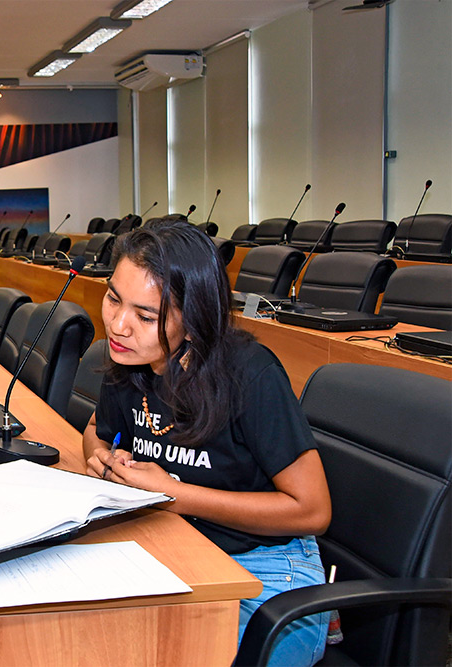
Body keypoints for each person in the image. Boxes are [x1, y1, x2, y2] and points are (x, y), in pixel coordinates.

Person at [82, 220, 332, 666]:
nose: (118, 326)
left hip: (268, 571)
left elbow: (313, 510)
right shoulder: (130, 358)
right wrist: (103, 460)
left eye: (145, 316)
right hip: (180, 547)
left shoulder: (250, 374)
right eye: (113, 299)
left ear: (194, 320)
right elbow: (96, 431)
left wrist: (174, 495)